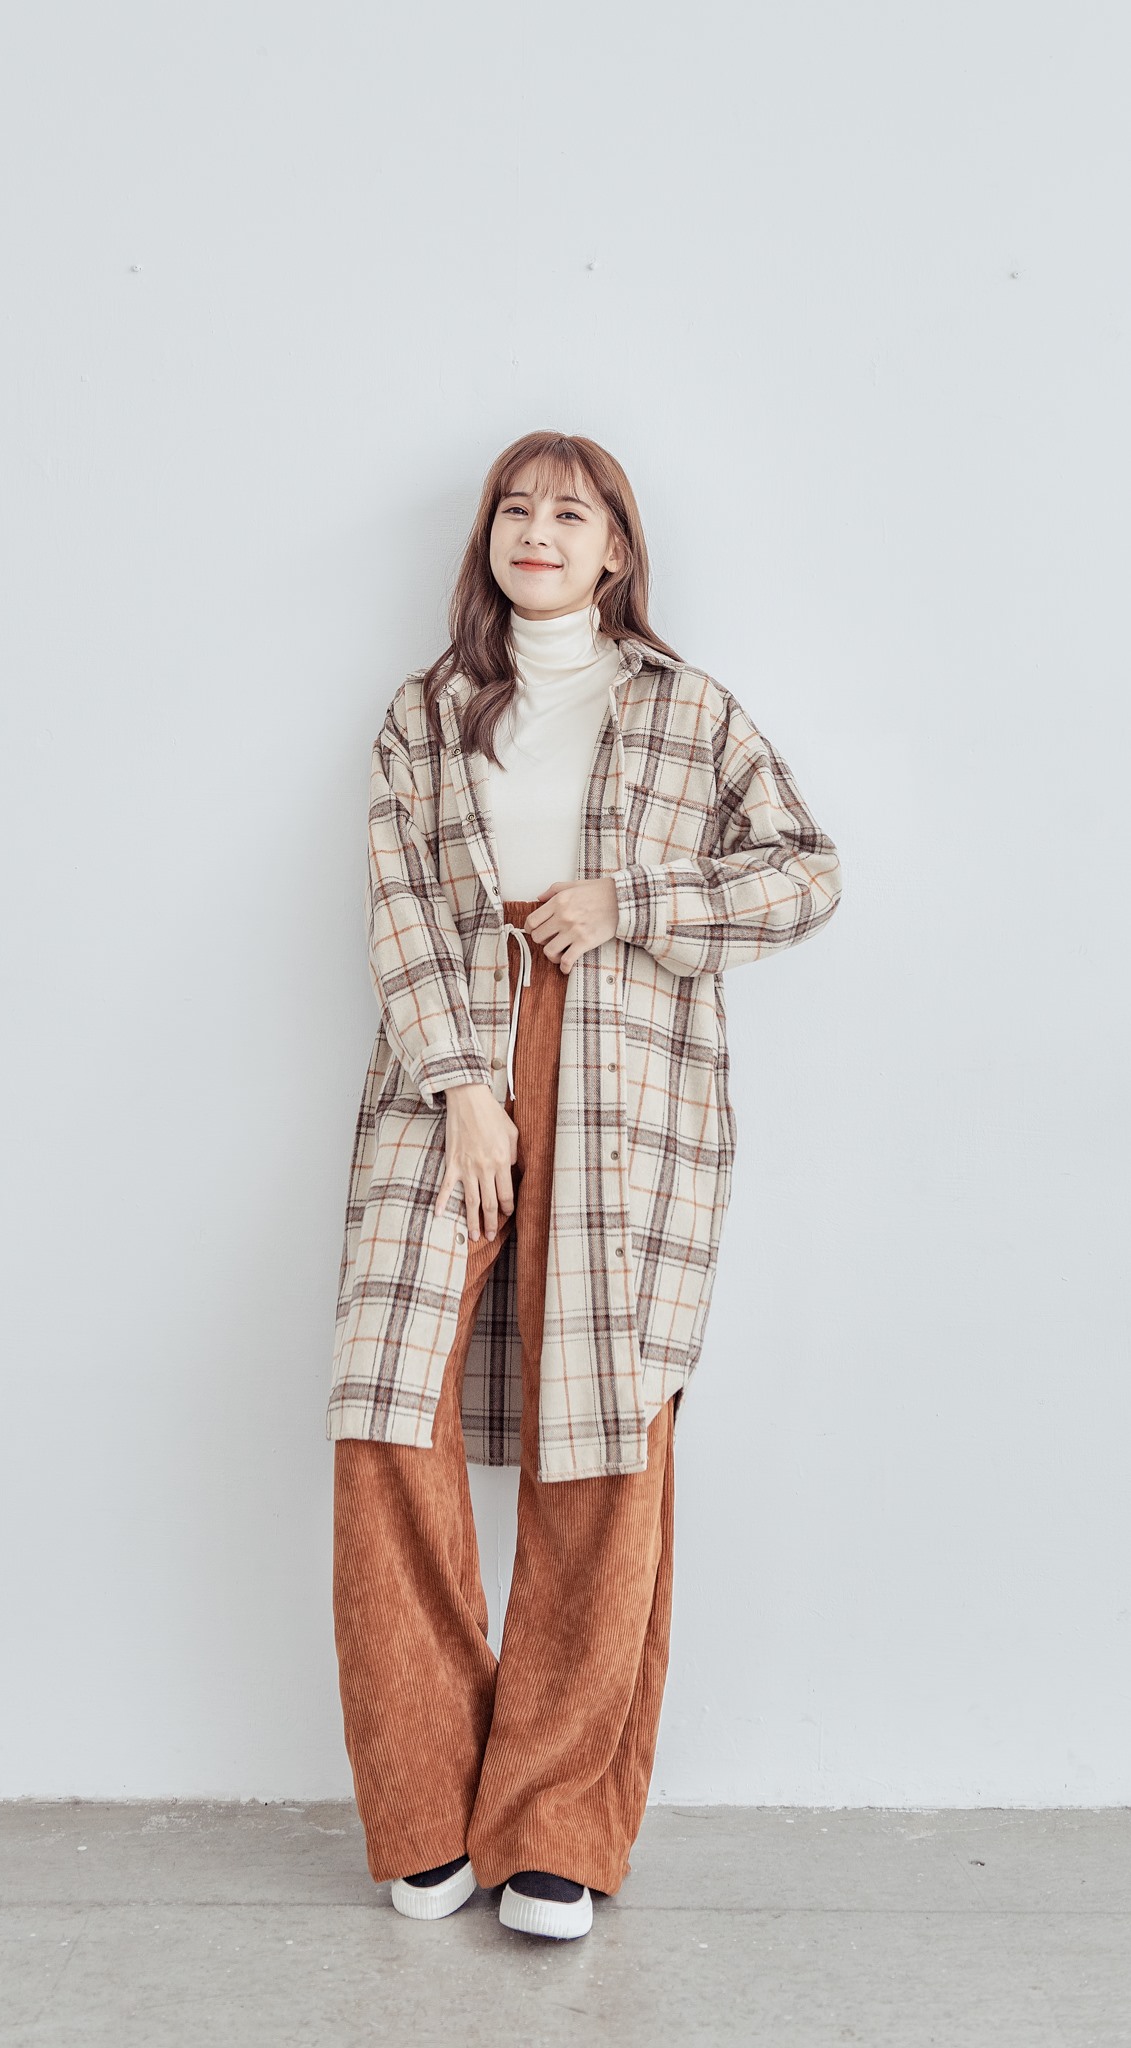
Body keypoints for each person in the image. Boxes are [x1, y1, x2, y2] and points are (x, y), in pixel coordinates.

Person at [326, 430, 843, 1941]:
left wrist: (636, 902)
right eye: (515, 507)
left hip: (631, 1087)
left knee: (607, 1434)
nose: (537, 530)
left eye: (571, 510)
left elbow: (807, 870)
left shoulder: (687, 709)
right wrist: (463, 1087)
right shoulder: (428, 711)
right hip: (447, 1076)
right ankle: (426, 1810)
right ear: (487, 537)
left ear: (617, 547)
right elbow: (402, 903)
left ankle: (554, 1826)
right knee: (385, 1409)